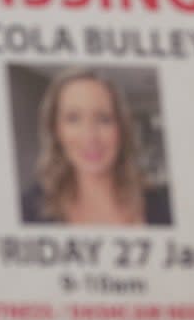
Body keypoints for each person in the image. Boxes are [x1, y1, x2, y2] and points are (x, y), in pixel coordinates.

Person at [21, 68, 171, 226]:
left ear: (121, 128)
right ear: (56, 130)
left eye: (103, 118)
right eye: (73, 118)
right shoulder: (29, 209)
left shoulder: (162, 204)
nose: (90, 136)